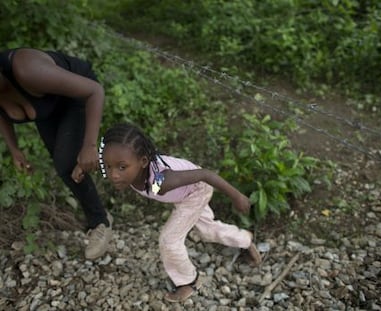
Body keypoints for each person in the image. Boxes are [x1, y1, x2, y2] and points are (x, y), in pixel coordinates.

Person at [100, 123, 262, 302]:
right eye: (108, 167)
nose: (113, 174)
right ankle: (245, 240)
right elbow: (103, 160)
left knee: (169, 240)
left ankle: (188, 281)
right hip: (185, 193)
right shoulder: (131, 171)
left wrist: (237, 196)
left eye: (121, 167)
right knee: (208, 230)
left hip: (195, 192)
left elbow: (205, 174)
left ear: (143, 161)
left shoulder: (161, 181)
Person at [0, 48, 112, 260]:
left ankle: (101, 222)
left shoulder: (26, 68)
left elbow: (95, 91)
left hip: (80, 92)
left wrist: (89, 145)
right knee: (65, 167)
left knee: (65, 162)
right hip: (47, 107)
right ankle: (99, 214)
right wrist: (14, 150)